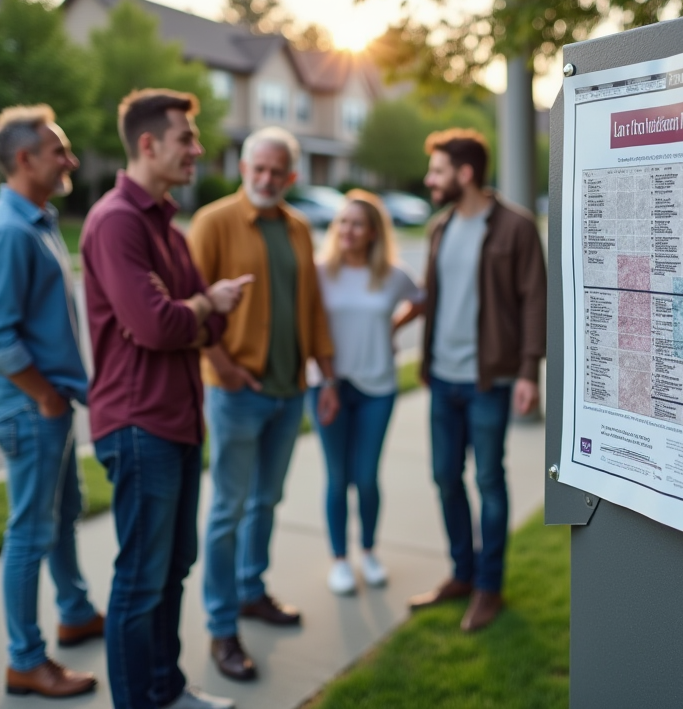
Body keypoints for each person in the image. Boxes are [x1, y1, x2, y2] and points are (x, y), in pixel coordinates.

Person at [82, 89, 250, 709]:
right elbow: (157, 325)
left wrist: (193, 312)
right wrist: (199, 307)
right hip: (138, 424)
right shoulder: (116, 221)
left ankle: (167, 689)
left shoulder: (168, 228)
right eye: (187, 138)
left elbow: (209, 324)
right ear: (148, 144)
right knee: (141, 580)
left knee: (174, 566)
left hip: (178, 420)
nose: (198, 150)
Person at [188, 126, 338, 683]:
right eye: (259, 169)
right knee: (228, 510)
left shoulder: (297, 227)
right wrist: (223, 367)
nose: (268, 179)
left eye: (278, 171)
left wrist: (327, 375)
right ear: (243, 168)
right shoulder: (213, 222)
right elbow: (192, 302)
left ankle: (251, 591)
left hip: (289, 391)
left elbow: (312, 306)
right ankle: (221, 626)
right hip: (237, 393)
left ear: (291, 176)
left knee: (266, 500)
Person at [0, 105, 102, 698]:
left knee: (65, 510)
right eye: (59, 151)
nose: (70, 160)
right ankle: (25, 660)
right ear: (24, 159)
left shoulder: (37, 219)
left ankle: (75, 611)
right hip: (30, 409)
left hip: (48, 404)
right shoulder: (7, 232)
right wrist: (47, 399)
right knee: (30, 532)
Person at [408, 128, 547, 632]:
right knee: (446, 477)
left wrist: (529, 370)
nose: (430, 180)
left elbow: (535, 300)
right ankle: (462, 574)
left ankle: (489, 586)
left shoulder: (515, 227)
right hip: (443, 379)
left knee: (488, 480)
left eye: (438, 171)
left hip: (490, 380)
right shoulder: (440, 228)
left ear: (465, 174)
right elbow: (434, 296)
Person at [309, 191, 425, 595]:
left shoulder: (392, 275)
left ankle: (369, 551)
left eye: (357, 224)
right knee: (337, 477)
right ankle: (339, 560)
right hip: (327, 386)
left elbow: (420, 301)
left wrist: (390, 328)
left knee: (366, 476)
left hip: (377, 386)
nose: (348, 230)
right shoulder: (319, 272)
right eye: (343, 222)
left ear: (374, 232)